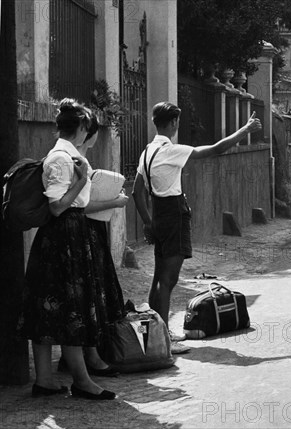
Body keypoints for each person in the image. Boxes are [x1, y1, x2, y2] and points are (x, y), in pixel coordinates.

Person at [132, 102, 262, 354]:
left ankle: (155, 337)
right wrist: (245, 129)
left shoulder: (147, 151)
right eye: (177, 121)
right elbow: (215, 149)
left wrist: (148, 223)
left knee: (158, 279)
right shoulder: (170, 151)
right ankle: (164, 340)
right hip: (173, 215)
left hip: (158, 215)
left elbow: (137, 193)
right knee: (168, 280)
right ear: (172, 123)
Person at [17, 99, 116, 400]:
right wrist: (83, 180)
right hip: (64, 236)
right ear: (83, 127)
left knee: (47, 308)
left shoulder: (62, 154)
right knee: (72, 310)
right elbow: (58, 207)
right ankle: (82, 381)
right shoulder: (63, 159)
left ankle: (45, 380)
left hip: (61, 237)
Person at [56, 112, 129, 377]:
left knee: (89, 296)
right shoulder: (74, 160)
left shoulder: (75, 157)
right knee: (86, 297)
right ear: (89, 132)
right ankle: (89, 358)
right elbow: (79, 206)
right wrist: (114, 202)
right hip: (83, 230)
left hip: (89, 231)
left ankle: (87, 355)